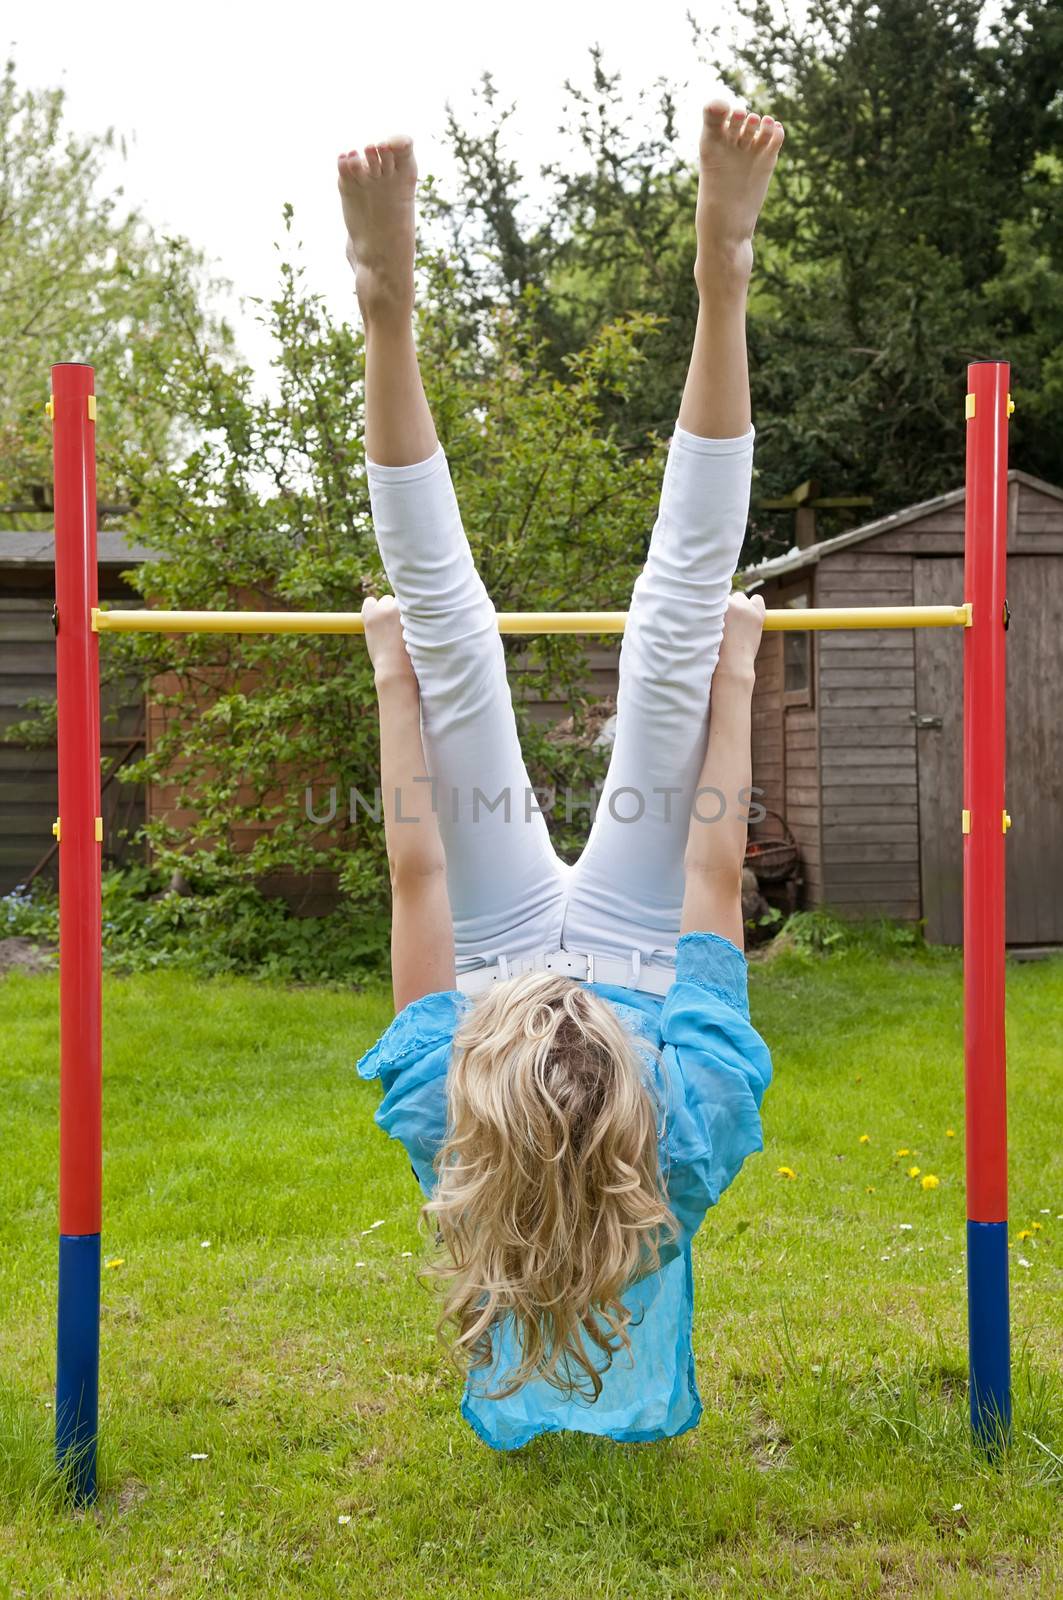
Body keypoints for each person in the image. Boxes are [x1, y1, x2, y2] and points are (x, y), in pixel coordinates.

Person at [344, 96, 782, 1450]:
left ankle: (392, 311)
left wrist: (736, 671)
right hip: (517, 974)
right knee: (463, 629)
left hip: (559, 970)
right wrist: (391, 673)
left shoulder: (496, 1108)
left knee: (638, 624)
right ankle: (714, 278)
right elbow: (415, 861)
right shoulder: (658, 1122)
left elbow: (715, 849)